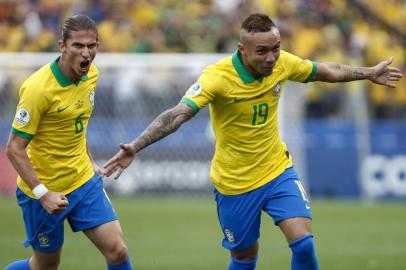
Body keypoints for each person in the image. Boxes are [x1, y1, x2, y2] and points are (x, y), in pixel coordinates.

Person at [104, 13, 403, 270]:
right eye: (262, 51)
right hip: (234, 184)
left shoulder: (282, 64)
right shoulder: (217, 77)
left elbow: (325, 71)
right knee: (245, 257)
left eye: (276, 48)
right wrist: (136, 145)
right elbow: (178, 114)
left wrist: (368, 73)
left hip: (276, 171)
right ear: (242, 50)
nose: (271, 57)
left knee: (303, 243)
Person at [5, 15, 133, 270]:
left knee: (117, 251)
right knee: (45, 266)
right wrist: (43, 194)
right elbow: (14, 148)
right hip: (43, 190)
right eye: (78, 46)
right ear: (62, 46)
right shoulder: (37, 89)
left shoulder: (91, 75)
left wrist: (89, 160)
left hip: (82, 180)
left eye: (92, 45)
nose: (87, 53)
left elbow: (77, 123)